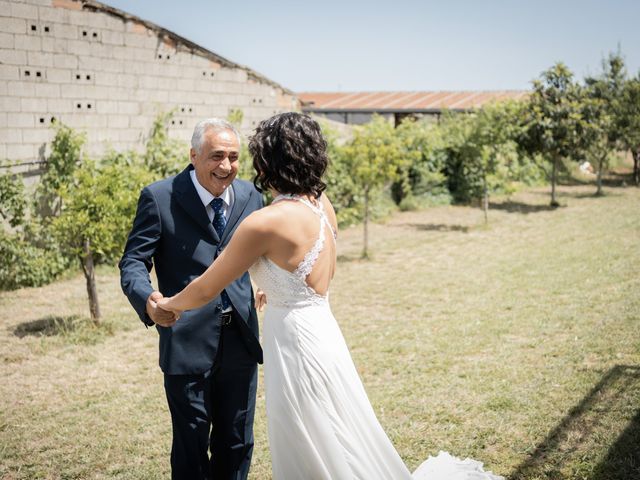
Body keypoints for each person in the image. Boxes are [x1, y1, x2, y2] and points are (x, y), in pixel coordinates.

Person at [158, 112, 503, 479]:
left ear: (268, 160)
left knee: (307, 435)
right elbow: (299, 272)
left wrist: (168, 305)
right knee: (336, 430)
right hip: (323, 331)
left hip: (293, 343)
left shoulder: (266, 221)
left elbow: (208, 286)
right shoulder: (322, 206)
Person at [119, 118, 264, 480]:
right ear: (194, 155)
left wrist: (263, 282)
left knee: (237, 441)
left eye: (233, 156)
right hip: (185, 338)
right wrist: (148, 298)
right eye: (217, 156)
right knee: (191, 444)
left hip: (241, 340)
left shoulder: (251, 196)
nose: (226, 166)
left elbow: (261, 253)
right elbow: (134, 261)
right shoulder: (159, 196)